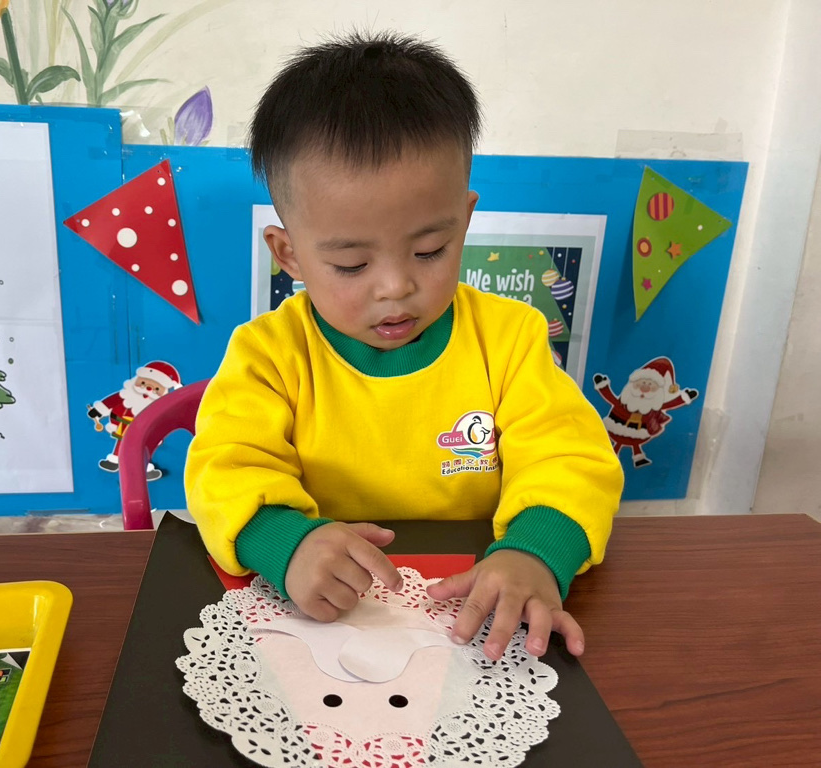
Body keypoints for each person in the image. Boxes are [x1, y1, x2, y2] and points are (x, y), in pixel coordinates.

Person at [185, 32, 624, 662]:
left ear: (464, 221)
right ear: (289, 254)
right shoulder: (269, 354)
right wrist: (284, 542)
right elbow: (223, 469)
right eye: (351, 263)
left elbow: (571, 458)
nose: (395, 287)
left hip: (474, 606)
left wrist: (536, 552)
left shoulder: (509, 339)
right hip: (324, 615)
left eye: (429, 251)